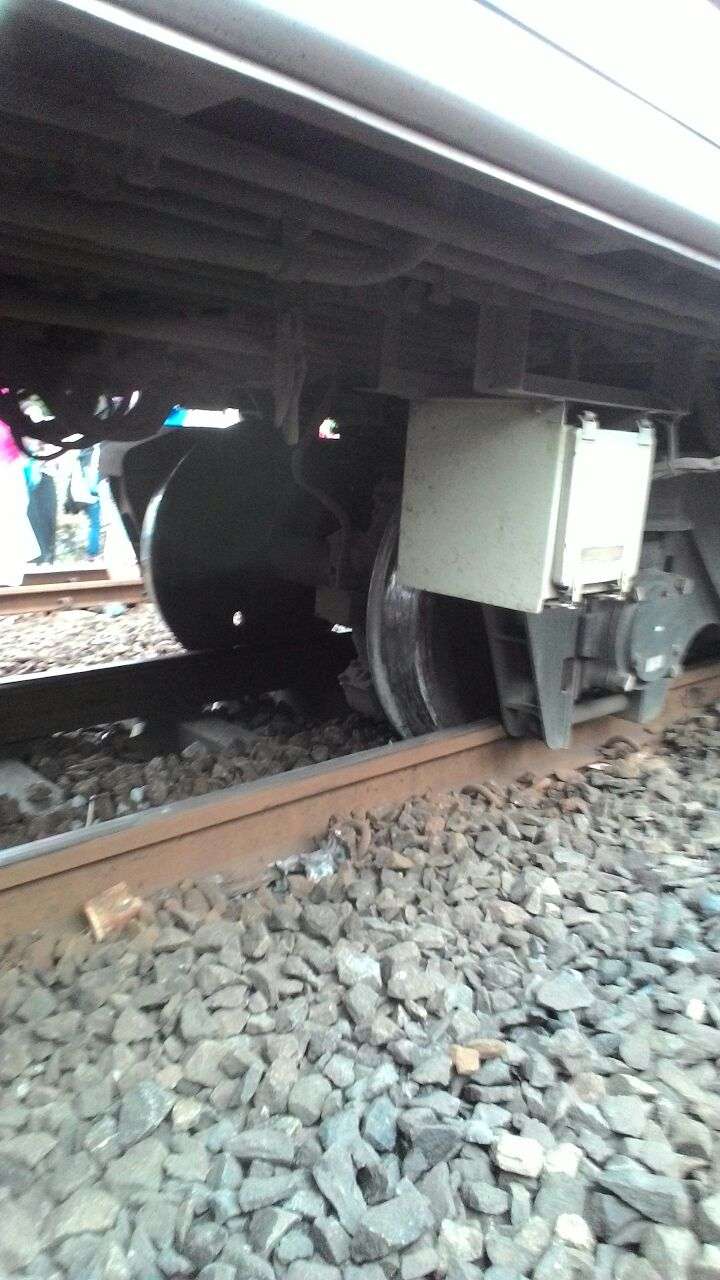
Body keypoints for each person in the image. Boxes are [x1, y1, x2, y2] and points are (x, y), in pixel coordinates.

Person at [0, 418, 40, 584]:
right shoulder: (8, 412)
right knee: (13, 517)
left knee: (12, 517)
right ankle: (9, 575)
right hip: (10, 466)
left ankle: (9, 575)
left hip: (10, 467)